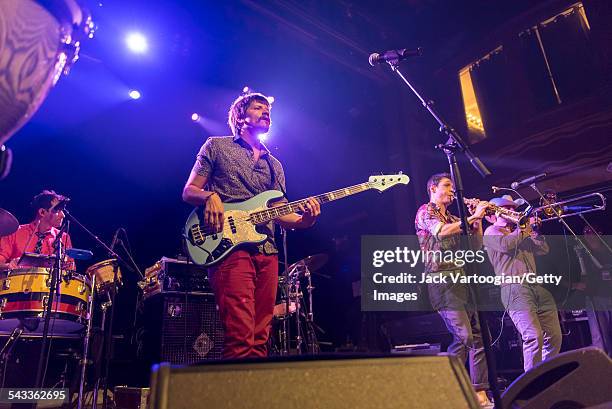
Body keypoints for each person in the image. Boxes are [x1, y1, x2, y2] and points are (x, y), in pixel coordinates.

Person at [182, 92, 320, 358]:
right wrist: (210, 196)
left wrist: (307, 219)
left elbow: (280, 213)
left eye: (267, 109)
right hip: (229, 248)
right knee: (240, 336)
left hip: (267, 252)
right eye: (258, 108)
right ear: (240, 116)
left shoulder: (275, 165)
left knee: (261, 338)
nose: (266, 112)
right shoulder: (217, 146)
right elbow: (189, 191)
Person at [414, 172, 491, 406]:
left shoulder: (455, 218)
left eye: (452, 186)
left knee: (479, 337)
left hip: (463, 280)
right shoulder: (425, 211)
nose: (451, 190)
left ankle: (479, 393)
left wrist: (476, 223)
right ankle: (441, 385)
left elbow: (475, 248)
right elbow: (440, 232)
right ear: (433, 189)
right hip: (442, 280)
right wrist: (472, 218)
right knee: (464, 336)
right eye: (447, 186)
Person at [483, 195, 561, 371]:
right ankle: (531, 384)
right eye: (507, 208)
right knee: (534, 336)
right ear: (496, 214)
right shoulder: (491, 232)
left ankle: (546, 374)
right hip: (514, 288)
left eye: (513, 208)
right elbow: (506, 245)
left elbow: (543, 249)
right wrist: (525, 228)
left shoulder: (520, 230)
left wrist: (535, 231)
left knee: (554, 336)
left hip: (536, 286)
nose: (512, 211)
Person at [0, 190, 74, 270]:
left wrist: (64, 265)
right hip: (16, 281)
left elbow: (70, 270)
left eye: (62, 210)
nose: (63, 215)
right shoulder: (15, 232)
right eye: (57, 210)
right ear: (42, 212)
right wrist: (8, 265)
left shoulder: (63, 237)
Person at [574, 224, 612, 357]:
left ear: (599, 233)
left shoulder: (608, 250)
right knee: (600, 338)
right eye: (585, 232)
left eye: (591, 231)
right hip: (595, 298)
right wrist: (575, 285)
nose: (588, 234)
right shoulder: (582, 253)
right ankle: (603, 368)